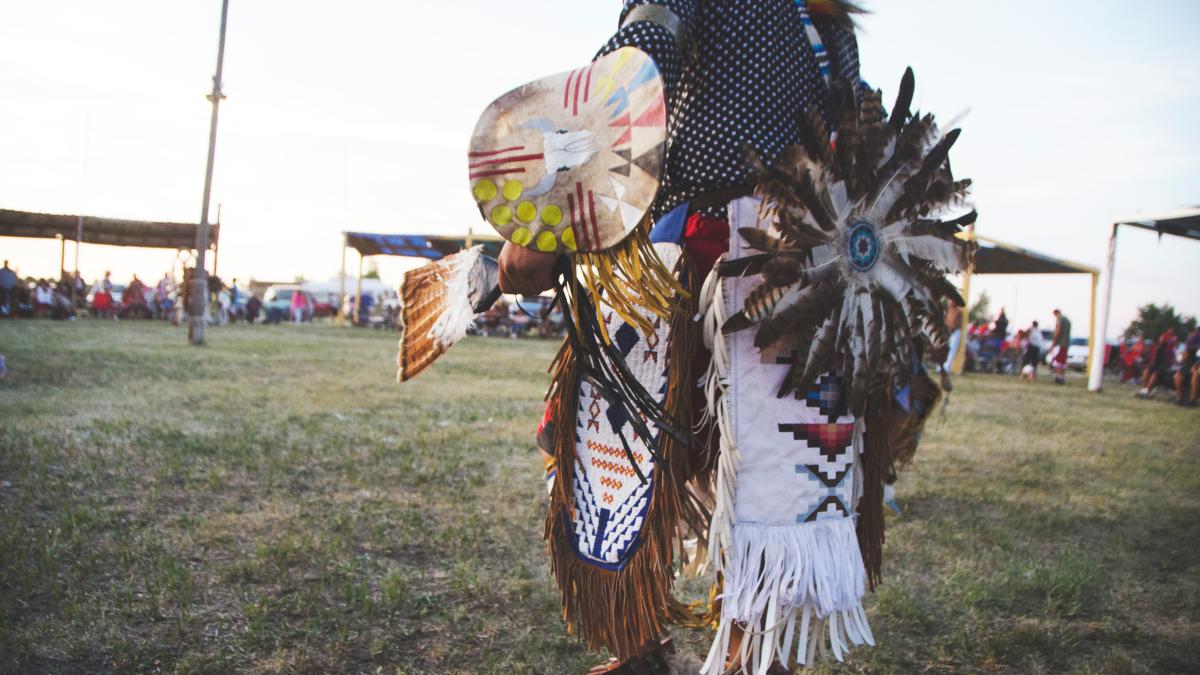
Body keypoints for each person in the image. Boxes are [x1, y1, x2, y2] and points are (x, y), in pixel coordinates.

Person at [496, 3, 925, 672]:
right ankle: (719, 653)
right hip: (788, 268)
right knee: (731, 465)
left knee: (699, 459)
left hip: (725, 257)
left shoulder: (816, 23)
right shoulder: (828, 24)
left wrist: (540, 222)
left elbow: (629, 79)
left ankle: (728, 653)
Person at [1137, 328, 1177, 398]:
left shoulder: (1170, 348)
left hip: (1165, 365)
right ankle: (1144, 388)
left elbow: (1171, 360)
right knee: (1147, 370)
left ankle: (1147, 390)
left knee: (1156, 373)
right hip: (1158, 364)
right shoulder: (1159, 348)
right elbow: (1155, 359)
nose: (1161, 339)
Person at [1174, 328, 1200, 407]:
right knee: (1178, 376)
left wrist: (1196, 365)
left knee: (1195, 374)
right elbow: (1186, 353)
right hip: (1193, 362)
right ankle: (1180, 399)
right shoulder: (1193, 339)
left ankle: (1193, 401)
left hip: (1197, 363)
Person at [1051, 309, 1071, 384]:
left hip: (1060, 343)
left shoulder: (1060, 320)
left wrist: (1054, 341)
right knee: (1063, 361)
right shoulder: (1067, 320)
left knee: (1059, 361)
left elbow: (1058, 331)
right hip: (1066, 343)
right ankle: (1062, 376)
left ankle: (1058, 377)